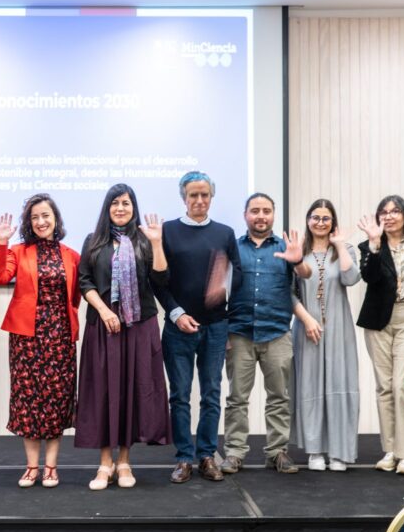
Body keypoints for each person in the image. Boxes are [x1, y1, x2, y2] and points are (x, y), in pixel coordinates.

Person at [75, 184, 171, 491]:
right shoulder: (94, 241)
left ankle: (125, 461)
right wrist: (104, 311)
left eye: (126, 203)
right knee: (103, 392)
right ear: (107, 208)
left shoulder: (145, 239)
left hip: (139, 324)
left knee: (132, 390)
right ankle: (105, 463)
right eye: (115, 203)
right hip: (103, 326)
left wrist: (157, 244)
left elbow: (160, 279)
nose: (120, 208)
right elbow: (84, 281)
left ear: (134, 207)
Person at [154, 171, 242, 483]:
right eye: (193, 195)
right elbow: (159, 281)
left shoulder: (225, 233)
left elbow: (237, 276)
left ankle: (206, 455)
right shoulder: (167, 232)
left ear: (211, 197)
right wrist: (176, 313)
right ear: (184, 197)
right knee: (179, 394)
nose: (199, 200)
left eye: (205, 195)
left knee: (211, 393)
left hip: (215, 328)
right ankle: (183, 458)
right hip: (178, 328)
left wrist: (225, 293)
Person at [0, 194, 80, 488]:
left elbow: (76, 295)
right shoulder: (18, 251)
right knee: (28, 400)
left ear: (56, 219)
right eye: (35, 217)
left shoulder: (71, 255)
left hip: (61, 337)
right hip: (26, 337)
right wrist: (1, 242)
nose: (41, 222)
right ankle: (31, 467)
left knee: (56, 401)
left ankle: (51, 467)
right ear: (29, 222)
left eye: (46, 216)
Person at [221, 193, 308, 476]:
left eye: (266, 211)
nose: (261, 216)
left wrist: (297, 261)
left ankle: (277, 452)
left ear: (273, 215)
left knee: (279, 397)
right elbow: (220, 291)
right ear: (245, 214)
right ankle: (234, 453)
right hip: (238, 334)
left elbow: (304, 274)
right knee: (236, 398)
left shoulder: (286, 248)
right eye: (255, 210)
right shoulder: (232, 248)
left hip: (277, 334)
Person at [356, 195, 404, 476]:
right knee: (385, 387)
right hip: (378, 321)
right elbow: (370, 278)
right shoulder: (368, 245)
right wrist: (375, 246)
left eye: (395, 211)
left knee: (403, 385)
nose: (389, 216)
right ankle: (389, 451)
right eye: (384, 212)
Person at [291, 199, 361, 472]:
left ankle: (340, 452)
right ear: (308, 220)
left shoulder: (345, 250)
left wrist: (341, 244)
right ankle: (315, 450)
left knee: (339, 385)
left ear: (333, 222)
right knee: (310, 387)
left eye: (326, 218)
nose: (321, 222)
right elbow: (289, 292)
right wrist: (306, 319)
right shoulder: (299, 251)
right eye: (315, 217)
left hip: (338, 329)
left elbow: (350, 279)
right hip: (306, 328)